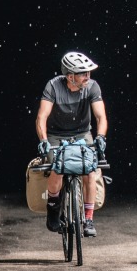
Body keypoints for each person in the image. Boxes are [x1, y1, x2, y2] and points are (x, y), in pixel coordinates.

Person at [37, 50, 109, 237]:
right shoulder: (53, 87)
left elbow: (101, 117)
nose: (88, 76)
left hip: (82, 134)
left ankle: (88, 218)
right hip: (56, 135)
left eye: (88, 73)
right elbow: (41, 117)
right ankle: (53, 208)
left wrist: (100, 136)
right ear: (70, 76)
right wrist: (44, 140)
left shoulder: (92, 87)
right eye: (83, 73)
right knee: (57, 168)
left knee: (89, 171)